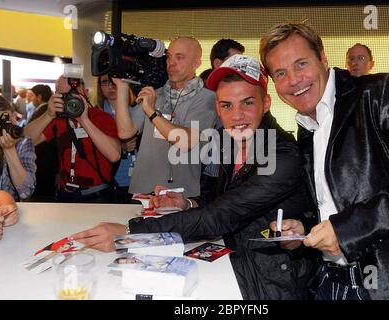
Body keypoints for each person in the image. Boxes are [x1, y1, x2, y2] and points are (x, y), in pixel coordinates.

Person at [72, 55, 316, 300]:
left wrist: (130, 231)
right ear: (217, 108)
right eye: (227, 105)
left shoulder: (282, 154)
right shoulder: (227, 140)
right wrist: (187, 202)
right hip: (234, 264)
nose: (237, 115)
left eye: (248, 103)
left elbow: (222, 214)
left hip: (273, 282)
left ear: (266, 104)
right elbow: (218, 195)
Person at [259, 23, 389, 299]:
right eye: (281, 73)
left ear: (323, 58)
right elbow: (336, 202)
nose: (293, 80)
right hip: (330, 283)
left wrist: (347, 231)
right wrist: (304, 229)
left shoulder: (382, 93)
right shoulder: (306, 128)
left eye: (301, 64)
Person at [114, 36, 217, 198]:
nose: (171, 62)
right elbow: (126, 132)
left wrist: (152, 112)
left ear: (196, 63)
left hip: (180, 196)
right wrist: (121, 86)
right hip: (142, 192)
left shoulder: (207, 98)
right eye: (169, 56)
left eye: (179, 57)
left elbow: (185, 141)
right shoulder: (157, 93)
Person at [24, 74, 121, 203]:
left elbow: (114, 155)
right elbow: (26, 140)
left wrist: (84, 120)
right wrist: (48, 114)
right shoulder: (57, 119)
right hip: (65, 192)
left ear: (85, 92)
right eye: (63, 96)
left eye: (71, 94)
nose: (68, 100)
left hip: (96, 193)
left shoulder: (102, 118)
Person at [96, 74, 138, 203]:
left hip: (140, 180)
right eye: (105, 82)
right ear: (99, 87)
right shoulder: (95, 115)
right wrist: (121, 147)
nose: (110, 86)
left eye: (114, 82)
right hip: (111, 181)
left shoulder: (139, 110)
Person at [0, 96, 36, 200]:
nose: (5, 126)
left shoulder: (23, 142)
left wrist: (9, 149)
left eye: (8, 120)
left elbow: (26, 192)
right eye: (0, 123)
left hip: (12, 208)